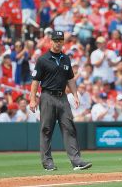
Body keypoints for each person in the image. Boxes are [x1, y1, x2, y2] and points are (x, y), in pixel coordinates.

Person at [29, 30, 92, 171]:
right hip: (47, 96)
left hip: (62, 96)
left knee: (69, 127)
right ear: (50, 41)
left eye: (60, 40)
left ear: (63, 42)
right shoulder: (42, 59)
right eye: (56, 40)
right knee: (46, 129)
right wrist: (32, 99)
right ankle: (47, 163)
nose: (58, 43)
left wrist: (75, 94)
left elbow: (70, 78)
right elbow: (35, 81)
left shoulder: (66, 59)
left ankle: (76, 161)